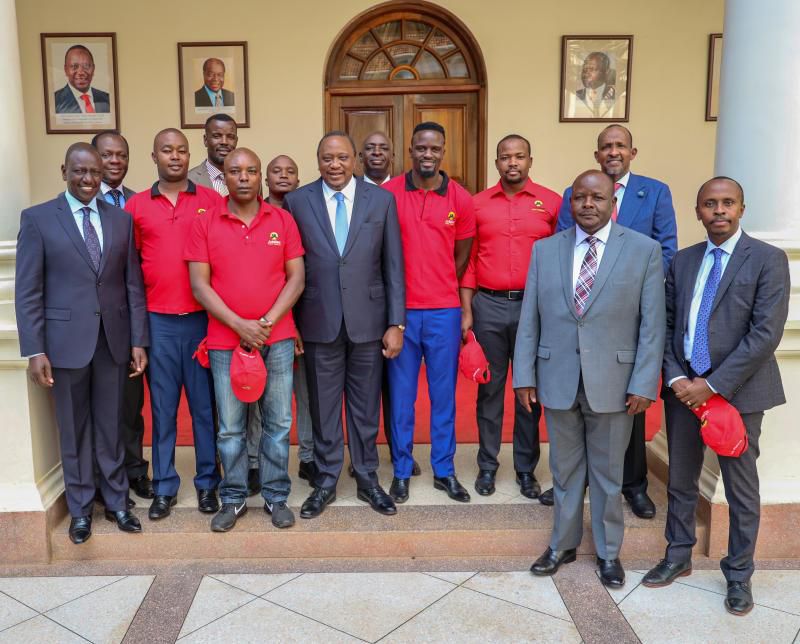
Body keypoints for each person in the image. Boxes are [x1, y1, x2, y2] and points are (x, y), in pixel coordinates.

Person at [643, 177, 790, 616]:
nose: (719, 211)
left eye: (728, 203)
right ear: (698, 211)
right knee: (682, 478)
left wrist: (713, 385)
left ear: (742, 208)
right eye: (710, 204)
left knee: (741, 488)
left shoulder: (767, 259)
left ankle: (740, 574)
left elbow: (765, 334)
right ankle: (678, 555)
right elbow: (668, 327)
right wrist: (676, 381)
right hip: (683, 391)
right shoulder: (684, 261)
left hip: (738, 395)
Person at [514, 170, 665, 588]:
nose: (587, 205)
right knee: (564, 469)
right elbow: (530, 319)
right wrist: (524, 375)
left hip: (615, 383)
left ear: (611, 203)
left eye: (596, 197)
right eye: (579, 197)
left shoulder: (643, 251)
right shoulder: (545, 251)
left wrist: (643, 382)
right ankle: (561, 544)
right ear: (569, 203)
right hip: (557, 376)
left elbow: (652, 325)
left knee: (607, 473)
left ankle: (607, 552)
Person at [542, 124, 678, 518]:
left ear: (633, 152)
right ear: (597, 154)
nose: (613, 152)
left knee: (625, 406)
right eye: (606, 147)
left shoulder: (653, 192)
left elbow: (666, 250)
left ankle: (633, 484)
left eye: (620, 146)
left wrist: (633, 290)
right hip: (582, 312)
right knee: (580, 399)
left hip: (630, 312)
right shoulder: (575, 194)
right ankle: (575, 480)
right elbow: (564, 248)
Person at [15, 143, 146, 544]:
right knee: (72, 430)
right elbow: (28, 290)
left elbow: (131, 285)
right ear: (64, 171)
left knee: (111, 425)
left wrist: (138, 340)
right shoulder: (38, 220)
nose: (89, 179)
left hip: (113, 341)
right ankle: (80, 510)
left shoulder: (120, 220)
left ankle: (117, 502)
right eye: (80, 172)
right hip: (64, 345)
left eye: (95, 171)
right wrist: (35, 349)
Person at [283, 131, 405, 518]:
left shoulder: (381, 201)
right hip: (317, 321)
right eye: (326, 158)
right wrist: (292, 323)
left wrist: (396, 323)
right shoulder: (297, 201)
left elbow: (394, 266)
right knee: (322, 407)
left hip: (369, 323)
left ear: (355, 159)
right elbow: (288, 267)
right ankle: (325, 480)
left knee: (365, 407)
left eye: (341, 158)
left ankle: (368, 478)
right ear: (317, 161)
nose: (334, 165)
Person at [187, 148, 305, 531]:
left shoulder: (283, 220)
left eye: (251, 171)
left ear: (260, 178)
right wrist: (241, 325)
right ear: (224, 174)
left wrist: (266, 322)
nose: (243, 177)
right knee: (231, 426)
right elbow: (199, 286)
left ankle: (275, 496)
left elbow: (296, 278)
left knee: (278, 422)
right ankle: (234, 498)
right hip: (225, 341)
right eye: (235, 170)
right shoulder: (205, 222)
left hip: (278, 337)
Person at [125, 129, 222, 521]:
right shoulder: (134, 207)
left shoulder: (212, 201)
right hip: (158, 323)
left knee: (204, 410)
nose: (176, 156)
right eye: (167, 150)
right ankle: (164, 487)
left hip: (202, 322)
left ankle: (207, 485)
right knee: (163, 411)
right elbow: (129, 273)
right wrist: (138, 334)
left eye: (182, 150)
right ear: (154, 156)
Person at [459, 134, 560, 498]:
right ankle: (487, 466)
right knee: (489, 389)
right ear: (496, 162)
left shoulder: (551, 203)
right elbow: (469, 260)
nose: (512, 163)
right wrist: (467, 309)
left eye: (519, 157)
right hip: (488, 305)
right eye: (505, 157)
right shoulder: (477, 204)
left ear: (530, 161)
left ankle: (525, 469)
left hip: (536, 310)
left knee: (529, 391)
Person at [384, 122, 475, 504]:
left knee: (444, 396)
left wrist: (449, 294)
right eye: (421, 147)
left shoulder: (460, 198)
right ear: (410, 150)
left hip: (444, 313)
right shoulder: (388, 194)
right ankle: (402, 471)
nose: (427, 154)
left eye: (435, 148)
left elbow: (463, 253)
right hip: (402, 312)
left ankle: (444, 470)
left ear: (443, 151)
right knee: (402, 397)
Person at [90, 131, 153, 501]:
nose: (115, 162)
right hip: (86, 327)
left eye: (121, 155)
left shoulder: (137, 204)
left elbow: (136, 274)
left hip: (126, 323)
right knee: (97, 410)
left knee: (130, 406)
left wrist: (138, 335)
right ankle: (101, 477)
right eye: (107, 155)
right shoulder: (71, 205)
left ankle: (133, 470)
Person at [356, 132, 421, 477]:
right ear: (360, 155)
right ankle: (362, 455)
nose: (376, 153)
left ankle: (401, 453)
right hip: (358, 311)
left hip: (393, 306)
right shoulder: (348, 191)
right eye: (370, 147)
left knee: (395, 388)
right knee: (362, 391)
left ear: (393, 155)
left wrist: (397, 318)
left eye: (383, 147)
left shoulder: (398, 192)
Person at [264, 154, 316, 484]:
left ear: (298, 180)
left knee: (305, 394)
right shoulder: (254, 212)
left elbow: (303, 274)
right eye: (276, 171)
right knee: (261, 397)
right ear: (264, 179)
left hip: (303, 317)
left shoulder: (305, 213)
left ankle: (308, 456)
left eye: (290, 171)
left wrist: (296, 322)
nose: (283, 176)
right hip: (261, 321)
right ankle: (258, 462)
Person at [188, 114, 239, 195]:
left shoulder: (248, 179)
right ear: (205, 140)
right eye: (217, 136)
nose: (224, 142)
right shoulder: (189, 180)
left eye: (230, 137)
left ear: (236, 141)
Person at [54, 45, 110, 114]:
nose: (81, 72)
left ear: (93, 68)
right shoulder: (54, 101)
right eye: (74, 66)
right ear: (66, 70)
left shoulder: (108, 99)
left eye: (86, 66)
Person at [571, 52, 615, 118]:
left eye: (592, 69)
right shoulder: (575, 95)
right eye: (585, 69)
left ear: (606, 72)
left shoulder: (615, 95)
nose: (586, 74)